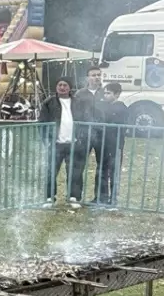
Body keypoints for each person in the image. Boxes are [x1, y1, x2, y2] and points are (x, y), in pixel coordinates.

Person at [38, 77, 89, 206]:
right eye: (59, 85)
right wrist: (46, 140)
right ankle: (50, 197)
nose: (62, 87)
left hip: (74, 143)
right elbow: (42, 123)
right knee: (51, 171)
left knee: (75, 172)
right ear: (56, 87)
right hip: (56, 144)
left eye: (65, 85)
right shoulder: (48, 103)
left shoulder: (78, 102)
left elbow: (84, 121)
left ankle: (74, 197)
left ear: (69, 87)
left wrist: (82, 138)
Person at [73, 65, 105, 200]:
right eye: (93, 75)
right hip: (84, 134)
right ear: (88, 78)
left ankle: (100, 197)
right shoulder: (80, 94)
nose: (96, 77)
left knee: (102, 167)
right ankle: (75, 196)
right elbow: (74, 113)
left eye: (98, 75)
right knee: (78, 166)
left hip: (102, 134)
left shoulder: (105, 93)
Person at [98, 83, 130, 206]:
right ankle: (105, 197)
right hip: (106, 144)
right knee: (104, 170)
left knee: (114, 172)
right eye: (105, 93)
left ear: (117, 94)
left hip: (115, 144)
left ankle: (113, 199)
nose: (105, 96)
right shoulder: (108, 106)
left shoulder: (120, 108)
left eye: (108, 93)